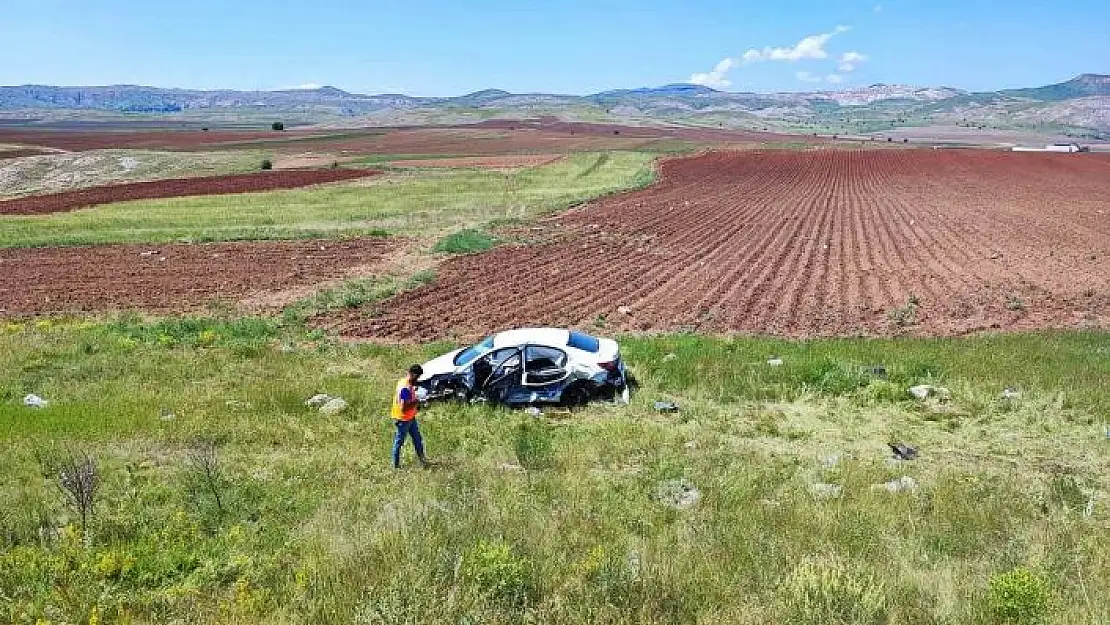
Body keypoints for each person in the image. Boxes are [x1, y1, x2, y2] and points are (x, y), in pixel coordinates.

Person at [391, 364, 429, 469]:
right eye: (417, 377)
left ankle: (423, 460)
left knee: (417, 439)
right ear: (412, 374)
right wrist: (417, 401)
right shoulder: (405, 387)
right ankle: (395, 466)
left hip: (410, 417)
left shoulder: (404, 382)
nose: (418, 379)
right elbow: (404, 407)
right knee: (399, 442)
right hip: (403, 419)